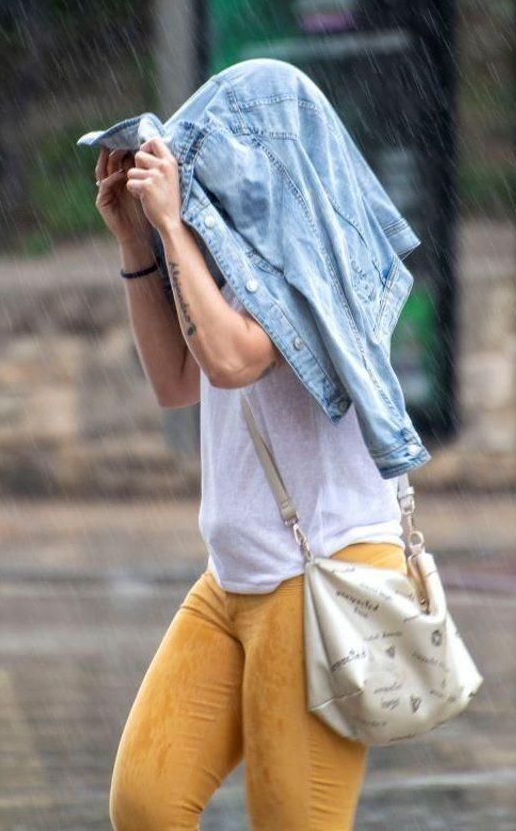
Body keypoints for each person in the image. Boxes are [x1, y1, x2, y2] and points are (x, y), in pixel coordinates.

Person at [95, 133, 409, 829]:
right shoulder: (229, 267)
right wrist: (134, 241)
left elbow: (234, 361)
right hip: (232, 580)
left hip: (321, 576)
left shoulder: (323, 262)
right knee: (147, 802)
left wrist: (172, 226)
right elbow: (177, 381)